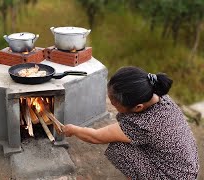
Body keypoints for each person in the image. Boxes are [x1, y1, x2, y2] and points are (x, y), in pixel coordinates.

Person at [62, 66, 199, 179]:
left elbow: (96, 136)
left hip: (173, 176)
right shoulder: (159, 95)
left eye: (115, 104)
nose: (112, 105)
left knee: (120, 148)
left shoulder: (142, 125)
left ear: (138, 107)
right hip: (187, 168)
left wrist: (73, 129)